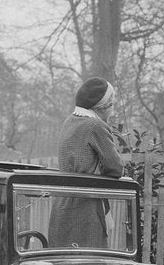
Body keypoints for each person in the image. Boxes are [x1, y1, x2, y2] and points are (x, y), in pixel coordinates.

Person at [48, 77, 124, 248]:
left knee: (62, 264)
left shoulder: (70, 121)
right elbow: (116, 168)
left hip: (62, 205)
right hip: (86, 208)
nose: (111, 109)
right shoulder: (95, 125)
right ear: (102, 106)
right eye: (110, 104)